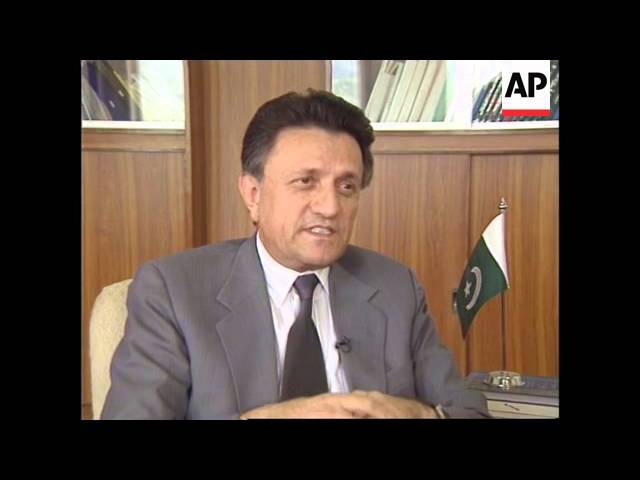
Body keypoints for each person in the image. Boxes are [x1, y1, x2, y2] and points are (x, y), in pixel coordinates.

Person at [101, 89, 489, 419]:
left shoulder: (395, 287)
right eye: (306, 182)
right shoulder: (173, 291)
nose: (330, 207)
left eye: (347, 186)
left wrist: (418, 414)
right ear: (253, 195)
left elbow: (469, 410)